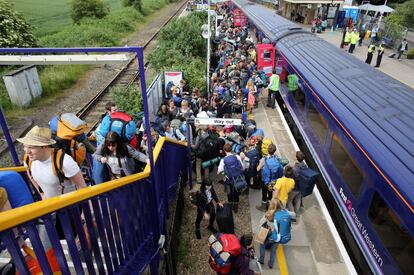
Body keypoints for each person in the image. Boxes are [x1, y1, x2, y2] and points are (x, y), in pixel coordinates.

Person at [17, 126, 86, 199]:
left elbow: (81, 187)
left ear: (44, 146)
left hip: (69, 205)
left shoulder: (64, 162)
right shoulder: (28, 159)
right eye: (25, 146)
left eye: (31, 147)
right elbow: (31, 177)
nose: (27, 151)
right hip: (50, 206)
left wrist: (81, 209)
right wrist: (42, 194)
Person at [256, 143, 283, 212]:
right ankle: (269, 205)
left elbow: (257, 169)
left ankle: (263, 207)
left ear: (267, 151)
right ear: (274, 151)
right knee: (270, 193)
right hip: (274, 181)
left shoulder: (264, 159)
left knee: (264, 193)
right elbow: (281, 171)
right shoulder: (277, 159)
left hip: (265, 181)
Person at [217, 143, 245, 212]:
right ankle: (235, 206)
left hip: (229, 179)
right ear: (231, 149)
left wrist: (219, 171)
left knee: (229, 192)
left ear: (224, 150)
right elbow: (242, 166)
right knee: (236, 192)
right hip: (237, 178)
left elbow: (219, 170)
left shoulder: (223, 160)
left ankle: (230, 204)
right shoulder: (237, 156)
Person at [258, 199, 280, 269]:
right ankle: (271, 264)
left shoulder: (268, 214)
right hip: (277, 235)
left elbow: (261, 222)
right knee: (273, 250)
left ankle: (261, 260)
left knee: (262, 245)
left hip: (268, 233)